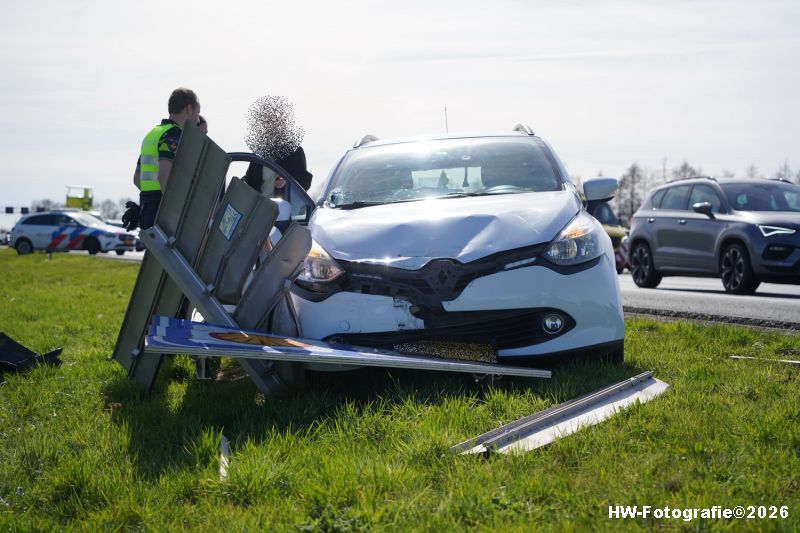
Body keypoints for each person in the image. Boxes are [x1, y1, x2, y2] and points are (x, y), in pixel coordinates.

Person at [128, 88, 201, 230]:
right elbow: (163, 177)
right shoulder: (174, 135)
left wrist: (148, 201)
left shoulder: (153, 133)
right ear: (189, 109)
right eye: (197, 113)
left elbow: (137, 179)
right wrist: (178, 209)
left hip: (147, 207)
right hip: (163, 210)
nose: (198, 119)